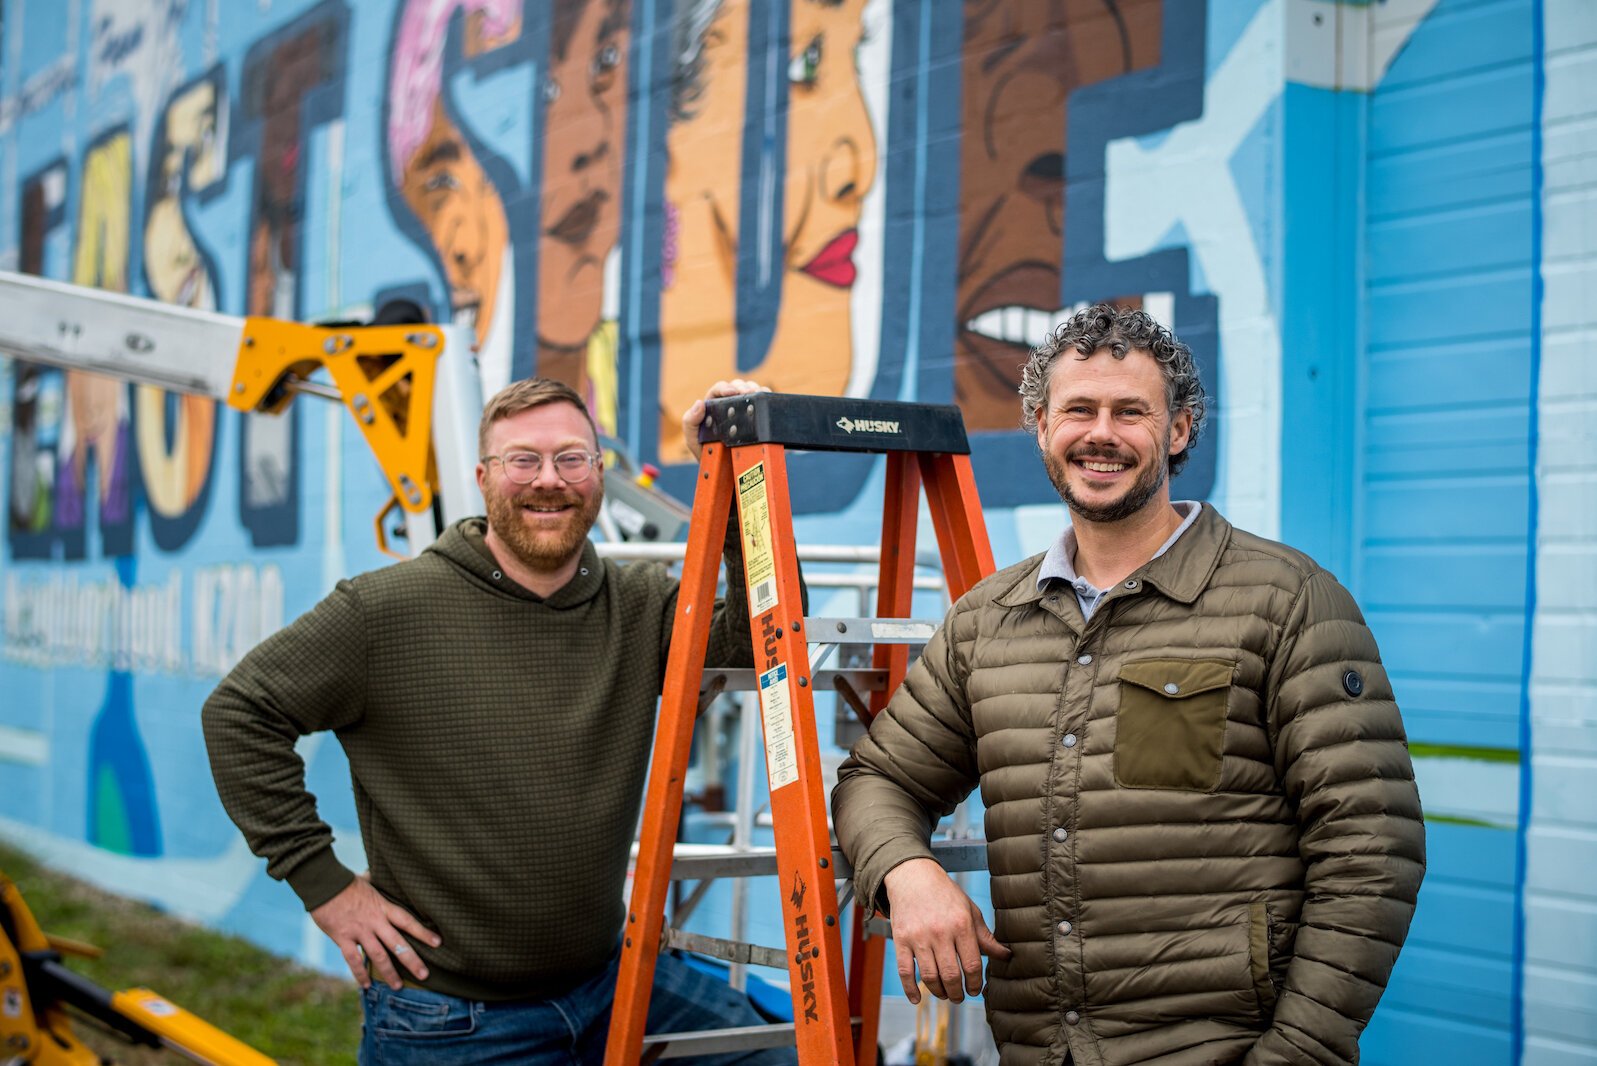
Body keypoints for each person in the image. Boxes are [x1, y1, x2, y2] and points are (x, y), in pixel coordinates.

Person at [831, 305, 1425, 1066]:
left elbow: (1371, 847)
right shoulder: (986, 622)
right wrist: (907, 874)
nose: (1100, 434)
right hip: (1038, 1049)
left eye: (1130, 412)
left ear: (1177, 431)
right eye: (1078, 409)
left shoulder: (1286, 601)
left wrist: (1296, 1053)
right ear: (1042, 427)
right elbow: (875, 778)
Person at [204, 377, 795, 1065]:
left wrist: (739, 469)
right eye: (523, 460)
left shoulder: (638, 608)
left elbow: (765, 639)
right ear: (483, 478)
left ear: (599, 475)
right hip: (453, 1018)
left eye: (571, 458)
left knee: (780, 1056)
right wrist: (324, 886)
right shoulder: (385, 611)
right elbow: (239, 713)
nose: (549, 481)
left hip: (612, 982)